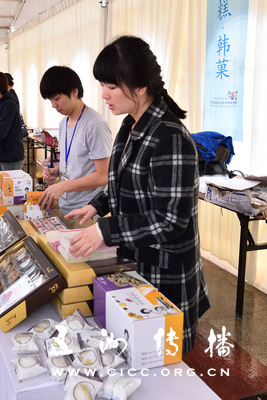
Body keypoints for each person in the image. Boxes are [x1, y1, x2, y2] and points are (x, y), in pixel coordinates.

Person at [67, 35, 210, 354]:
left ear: (141, 86)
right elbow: (122, 182)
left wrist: (105, 230)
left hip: (164, 268)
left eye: (112, 86)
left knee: (162, 354)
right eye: (102, 85)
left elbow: (170, 219)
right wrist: (97, 205)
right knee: (137, 347)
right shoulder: (130, 124)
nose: (104, 94)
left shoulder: (170, 137)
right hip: (136, 258)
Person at [37, 66, 113, 228]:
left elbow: (104, 176)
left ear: (74, 92)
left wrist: (63, 186)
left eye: (56, 98)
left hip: (86, 213)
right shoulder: (63, 123)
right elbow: (75, 161)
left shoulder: (95, 124)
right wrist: (57, 171)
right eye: (50, 100)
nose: (53, 105)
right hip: (65, 207)